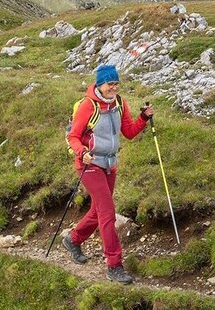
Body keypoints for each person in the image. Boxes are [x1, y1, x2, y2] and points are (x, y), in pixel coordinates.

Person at [62, 64, 154, 284]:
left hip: (110, 164)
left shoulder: (120, 103)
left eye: (116, 83)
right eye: (110, 84)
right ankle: (114, 266)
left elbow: (129, 132)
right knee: (107, 213)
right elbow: (73, 136)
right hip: (89, 163)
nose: (114, 88)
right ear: (100, 84)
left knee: (98, 210)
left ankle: (73, 239)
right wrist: (82, 152)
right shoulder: (88, 106)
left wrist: (143, 118)